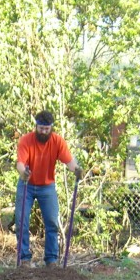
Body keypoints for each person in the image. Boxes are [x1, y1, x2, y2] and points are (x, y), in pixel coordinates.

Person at [15, 110, 83, 267]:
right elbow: (20, 163)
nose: (44, 132)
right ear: (36, 126)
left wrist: (77, 170)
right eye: (41, 128)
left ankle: (51, 260)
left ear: (51, 128)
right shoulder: (26, 140)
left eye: (47, 129)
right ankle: (24, 258)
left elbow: (69, 161)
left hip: (47, 186)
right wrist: (23, 172)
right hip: (27, 185)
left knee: (52, 221)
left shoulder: (57, 141)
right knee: (21, 221)